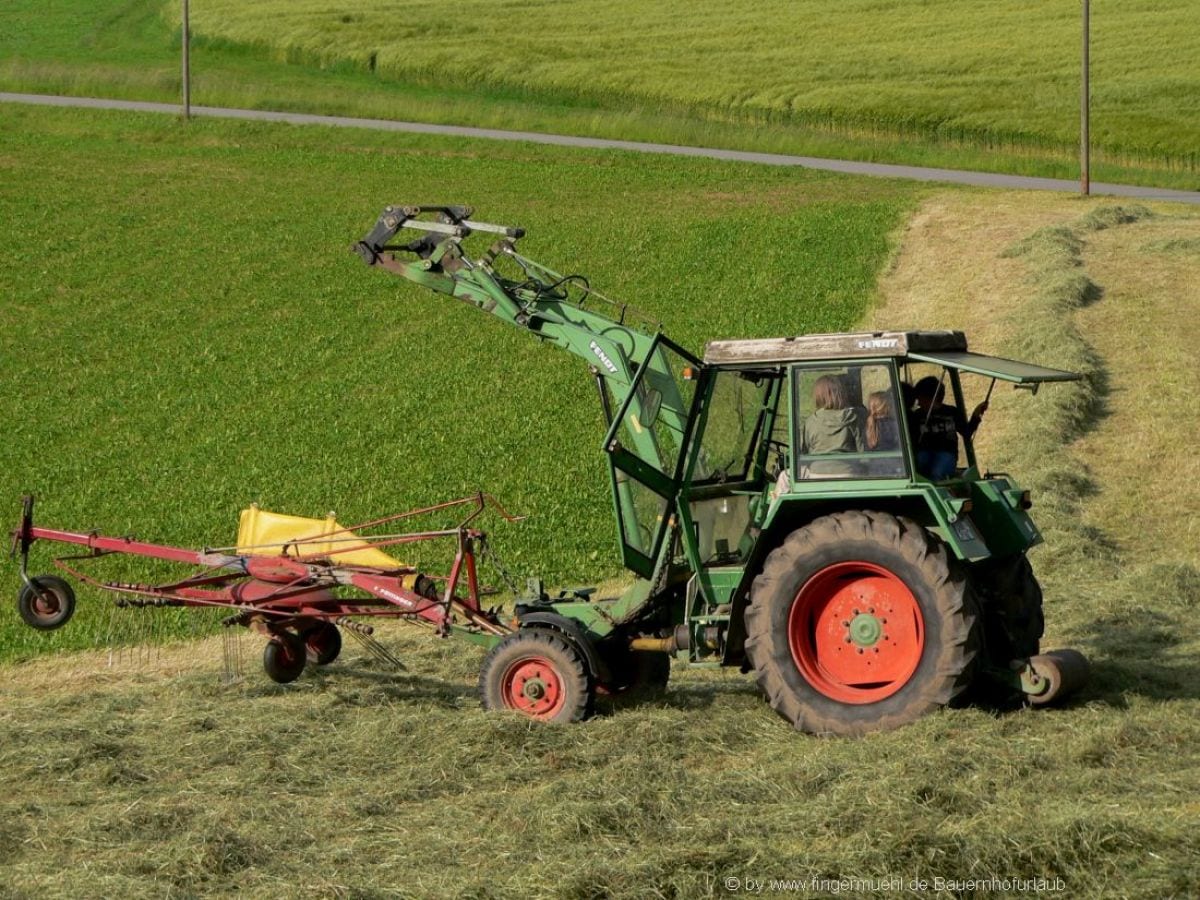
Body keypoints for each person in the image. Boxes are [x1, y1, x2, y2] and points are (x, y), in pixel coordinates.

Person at [912, 375, 987, 480]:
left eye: (921, 399)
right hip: (924, 453)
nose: (918, 403)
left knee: (937, 472)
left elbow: (966, 432)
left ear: (932, 398)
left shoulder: (951, 412)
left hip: (947, 453)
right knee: (919, 461)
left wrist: (975, 415)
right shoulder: (917, 415)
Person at [800, 375, 865, 476]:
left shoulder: (810, 422)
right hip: (847, 473)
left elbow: (803, 453)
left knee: (784, 477)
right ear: (840, 394)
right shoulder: (853, 418)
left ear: (818, 396)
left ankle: (775, 493)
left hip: (817, 474)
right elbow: (862, 451)